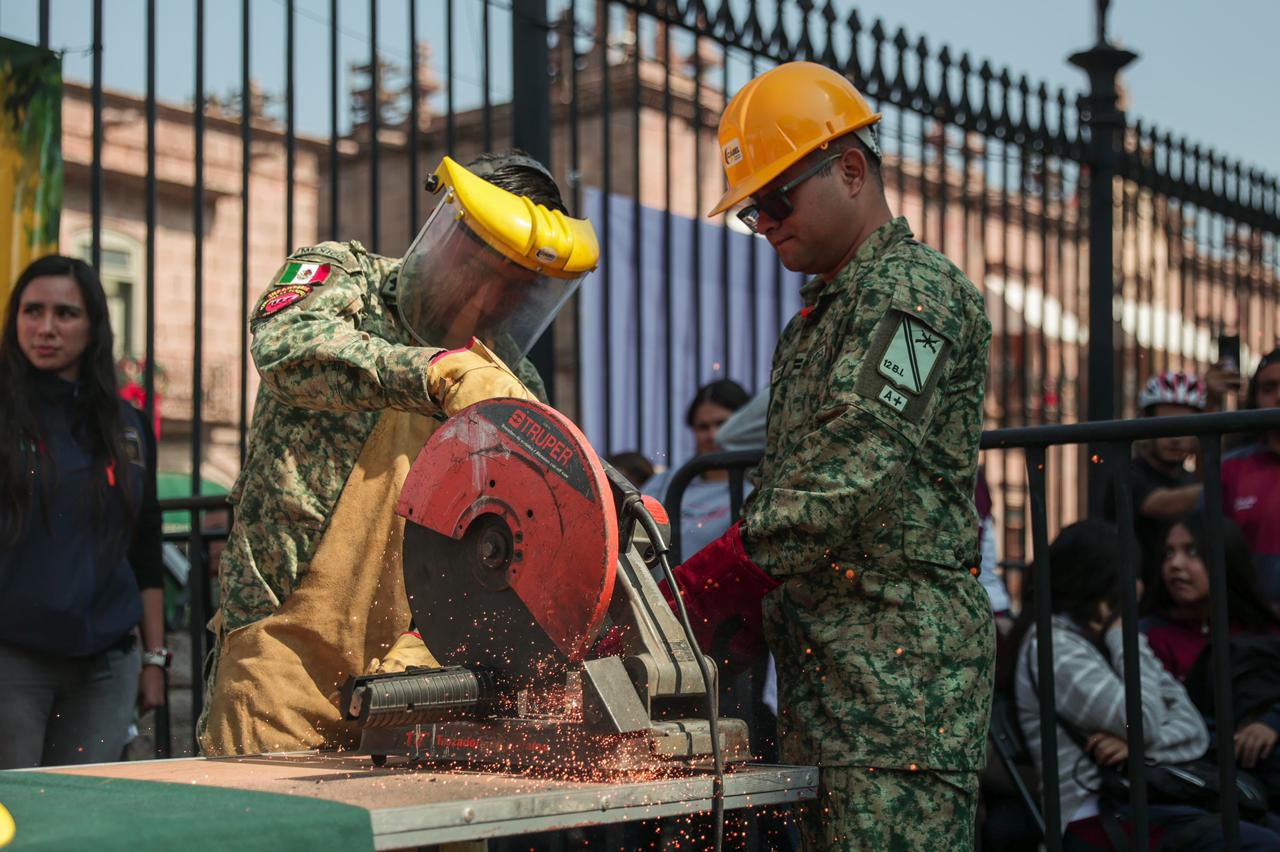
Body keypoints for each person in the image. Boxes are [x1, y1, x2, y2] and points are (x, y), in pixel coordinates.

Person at [659, 62, 995, 849]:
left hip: (900, 701)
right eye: (752, 212)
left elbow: (850, 467)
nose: (766, 224)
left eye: (777, 200)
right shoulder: (815, 320)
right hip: (830, 691)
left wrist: (717, 580)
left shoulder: (919, 295)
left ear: (850, 169)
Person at [199, 152, 598, 756]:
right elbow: (285, 345)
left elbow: (520, 546)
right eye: (486, 270)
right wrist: (436, 373)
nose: (493, 299)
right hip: (285, 663)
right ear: (449, 237)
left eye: (517, 288)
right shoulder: (341, 280)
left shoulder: (513, 380)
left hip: (425, 683)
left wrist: (433, 644)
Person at [1003, 520, 1280, 849]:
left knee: (1268, 824)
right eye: (1130, 575)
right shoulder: (1055, 648)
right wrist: (1124, 637)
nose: (1137, 587)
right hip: (1094, 816)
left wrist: (1138, 748)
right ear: (1103, 579)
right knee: (1259, 844)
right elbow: (1144, 720)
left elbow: (1193, 728)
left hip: (1144, 799)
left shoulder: (1099, 639)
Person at [0, 255, 165, 768]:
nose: (45, 328)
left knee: (88, 818)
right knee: (18, 820)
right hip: (13, 662)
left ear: (94, 324)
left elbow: (143, 546)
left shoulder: (128, 426)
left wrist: (154, 660)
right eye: (32, 311)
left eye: (65, 313)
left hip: (106, 668)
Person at [1141, 513, 1280, 807]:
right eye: (1168, 553)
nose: (1175, 564)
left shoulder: (1262, 630)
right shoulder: (1150, 635)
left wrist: (1269, 723)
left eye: (1192, 551)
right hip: (1199, 774)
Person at [1101, 371, 1210, 588]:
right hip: (1135, 602)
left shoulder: (1190, 480)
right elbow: (1161, 504)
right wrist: (1226, 483)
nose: (1176, 438)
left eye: (1186, 427)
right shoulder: (1128, 473)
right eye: (1166, 425)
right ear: (1145, 423)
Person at [644, 378, 752, 562]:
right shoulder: (669, 481)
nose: (713, 435)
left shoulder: (757, 486)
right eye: (703, 427)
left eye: (723, 424)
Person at [1221, 345, 1280, 602]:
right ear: (1255, 398)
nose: (1279, 396)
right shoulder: (1232, 469)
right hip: (1251, 629)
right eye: (1269, 388)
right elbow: (1209, 547)